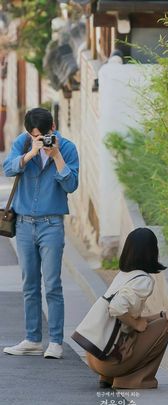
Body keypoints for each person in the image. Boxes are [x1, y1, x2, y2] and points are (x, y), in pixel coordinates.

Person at [3, 107, 79, 359]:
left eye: (43, 135)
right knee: (30, 285)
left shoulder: (67, 148)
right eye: (34, 135)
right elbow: (8, 169)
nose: (40, 139)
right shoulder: (22, 143)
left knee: (53, 284)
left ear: (53, 128)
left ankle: (56, 342)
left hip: (51, 224)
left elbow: (71, 185)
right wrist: (30, 154)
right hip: (24, 224)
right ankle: (33, 339)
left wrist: (56, 156)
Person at [86, 227, 168, 389]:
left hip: (95, 355)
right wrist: (137, 325)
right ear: (151, 251)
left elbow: (126, 315)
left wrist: (161, 314)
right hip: (112, 360)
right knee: (166, 325)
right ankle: (133, 380)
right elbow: (116, 309)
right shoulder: (143, 280)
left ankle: (107, 378)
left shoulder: (124, 275)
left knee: (161, 320)